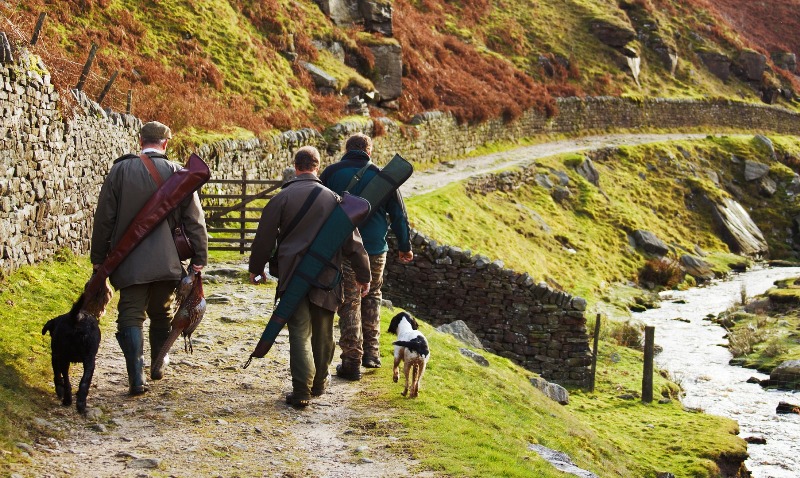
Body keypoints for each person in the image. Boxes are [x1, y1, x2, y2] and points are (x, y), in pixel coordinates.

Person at [91, 121, 208, 395]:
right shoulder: (179, 173)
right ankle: (158, 364)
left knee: (130, 315)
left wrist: (99, 259)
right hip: (168, 262)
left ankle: (136, 377)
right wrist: (199, 259)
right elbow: (195, 221)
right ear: (166, 143)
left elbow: (104, 218)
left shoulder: (120, 170)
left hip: (128, 261)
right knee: (162, 312)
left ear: (140, 139)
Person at [249, 145, 371, 407]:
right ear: (318, 166)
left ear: (296, 167)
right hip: (326, 277)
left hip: (293, 276)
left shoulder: (281, 198)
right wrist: (364, 275)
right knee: (324, 333)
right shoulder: (334, 200)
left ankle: (301, 390)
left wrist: (256, 269)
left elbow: (264, 239)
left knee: (299, 332)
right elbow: (353, 243)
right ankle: (319, 383)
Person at [320, 133, 413, 380]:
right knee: (372, 296)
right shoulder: (383, 177)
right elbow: (399, 216)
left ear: (346, 149)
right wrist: (405, 247)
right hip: (375, 249)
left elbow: (318, 207)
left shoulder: (331, 173)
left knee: (350, 300)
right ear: (369, 151)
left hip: (345, 248)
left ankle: (352, 359)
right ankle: (372, 354)